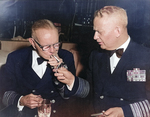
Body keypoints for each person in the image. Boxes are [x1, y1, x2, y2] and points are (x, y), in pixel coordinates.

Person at [55, 6, 150, 117]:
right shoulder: (96, 56)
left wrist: (124, 112)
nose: (95, 37)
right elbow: (91, 90)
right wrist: (72, 81)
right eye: (95, 31)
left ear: (117, 31)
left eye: (99, 32)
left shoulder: (146, 57)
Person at [0, 19, 89, 117]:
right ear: (33, 43)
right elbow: (4, 93)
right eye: (46, 47)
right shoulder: (16, 58)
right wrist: (21, 100)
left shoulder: (66, 57)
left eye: (56, 44)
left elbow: (68, 96)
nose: (53, 51)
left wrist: (60, 72)